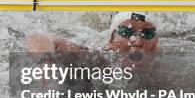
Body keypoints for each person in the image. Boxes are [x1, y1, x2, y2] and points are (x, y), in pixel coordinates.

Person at [26, 12, 158, 69]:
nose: (138, 41)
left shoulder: (161, 72)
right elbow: (38, 37)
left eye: (147, 33)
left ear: (156, 42)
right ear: (111, 39)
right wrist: (45, 63)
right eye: (126, 32)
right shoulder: (96, 58)